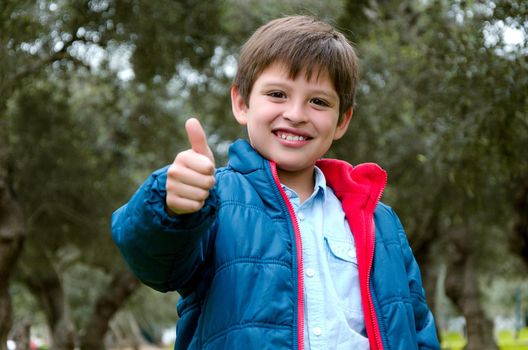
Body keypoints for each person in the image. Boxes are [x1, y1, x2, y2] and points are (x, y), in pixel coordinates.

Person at [111, 15, 441, 350]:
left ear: (342, 121)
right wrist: (170, 207)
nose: (296, 113)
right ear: (242, 103)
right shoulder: (213, 202)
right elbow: (155, 264)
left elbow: (416, 327)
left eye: (319, 101)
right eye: (278, 94)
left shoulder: (379, 222)